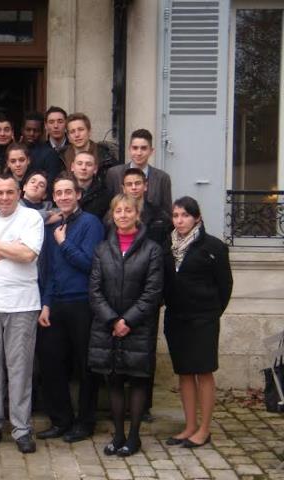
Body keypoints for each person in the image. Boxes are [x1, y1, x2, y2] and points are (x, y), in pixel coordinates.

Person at [0, 173, 45, 454]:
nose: (4, 197)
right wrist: (11, 247)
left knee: (20, 369)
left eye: (10, 192)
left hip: (23, 304)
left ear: (18, 192)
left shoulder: (31, 218)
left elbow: (28, 255)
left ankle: (22, 429)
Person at [88, 194, 163, 457]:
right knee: (115, 381)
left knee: (138, 381)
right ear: (112, 215)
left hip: (138, 326)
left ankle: (134, 437)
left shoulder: (152, 249)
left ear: (136, 214)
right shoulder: (102, 249)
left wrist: (128, 320)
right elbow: (94, 289)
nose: (122, 215)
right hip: (108, 326)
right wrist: (112, 320)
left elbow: (153, 292)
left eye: (128, 210)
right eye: (118, 210)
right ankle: (118, 435)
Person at [36, 172, 104, 443]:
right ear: (54, 197)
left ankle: (85, 422)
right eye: (59, 193)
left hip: (82, 303)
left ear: (78, 195)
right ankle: (61, 420)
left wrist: (64, 244)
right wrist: (46, 304)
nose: (63, 197)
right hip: (57, 303)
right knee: (51, 362)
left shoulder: (91, 223)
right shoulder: (54, 226)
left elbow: (90, 264)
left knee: (86, 365)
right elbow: (51, 271)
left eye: (68, 192)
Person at [163, 196, 233, 449]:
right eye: (176, 215)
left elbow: (225, 286)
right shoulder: (167, 246)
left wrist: (211, 313)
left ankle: (204, 429)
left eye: (185, 215)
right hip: (176, 319)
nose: (179, 220)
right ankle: (190, 425)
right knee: (184, 373)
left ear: (197, 218)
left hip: (203, 319)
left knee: (203, 371)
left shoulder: (213, 246)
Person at [120, 167, 173, 421]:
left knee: (145, 351)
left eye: (137, 183)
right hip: (121, 293)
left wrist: (157, 293)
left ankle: (144, 407)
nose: (133, 188)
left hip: (149, 294)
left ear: (145, 186)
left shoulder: (160, 216)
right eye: (128, 184)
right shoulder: (115, 216)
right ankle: (119, 403)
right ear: (123, 188)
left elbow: (165, 256)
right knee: (121, 350)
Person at [105, 129, 172, 215]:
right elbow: (108, 208)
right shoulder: (114, 174)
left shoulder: (162, 178)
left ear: (151, 151)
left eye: (143, 148)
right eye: (135, 148)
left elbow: (167, 212)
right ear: (129, 149)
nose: (139, 153)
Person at [64, 112, 119, 183]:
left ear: (89, 132)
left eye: (81, 129)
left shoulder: (106, 157)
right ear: (68, 136)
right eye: (72, 131)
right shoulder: (60, 158)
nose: (77, 135)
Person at [69, 151, 112, 220]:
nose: (83, 168)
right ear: (72, 167)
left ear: (95, 169)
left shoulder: (105, 195)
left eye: (88, 164)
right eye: (79, 164)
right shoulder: (63, 191)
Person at [20, 112, 58, 176]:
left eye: (36, 130)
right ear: (22, 130)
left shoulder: (49, 154)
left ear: (42, 132)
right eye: (28, 130)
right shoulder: (15, 151)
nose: (31, 133)